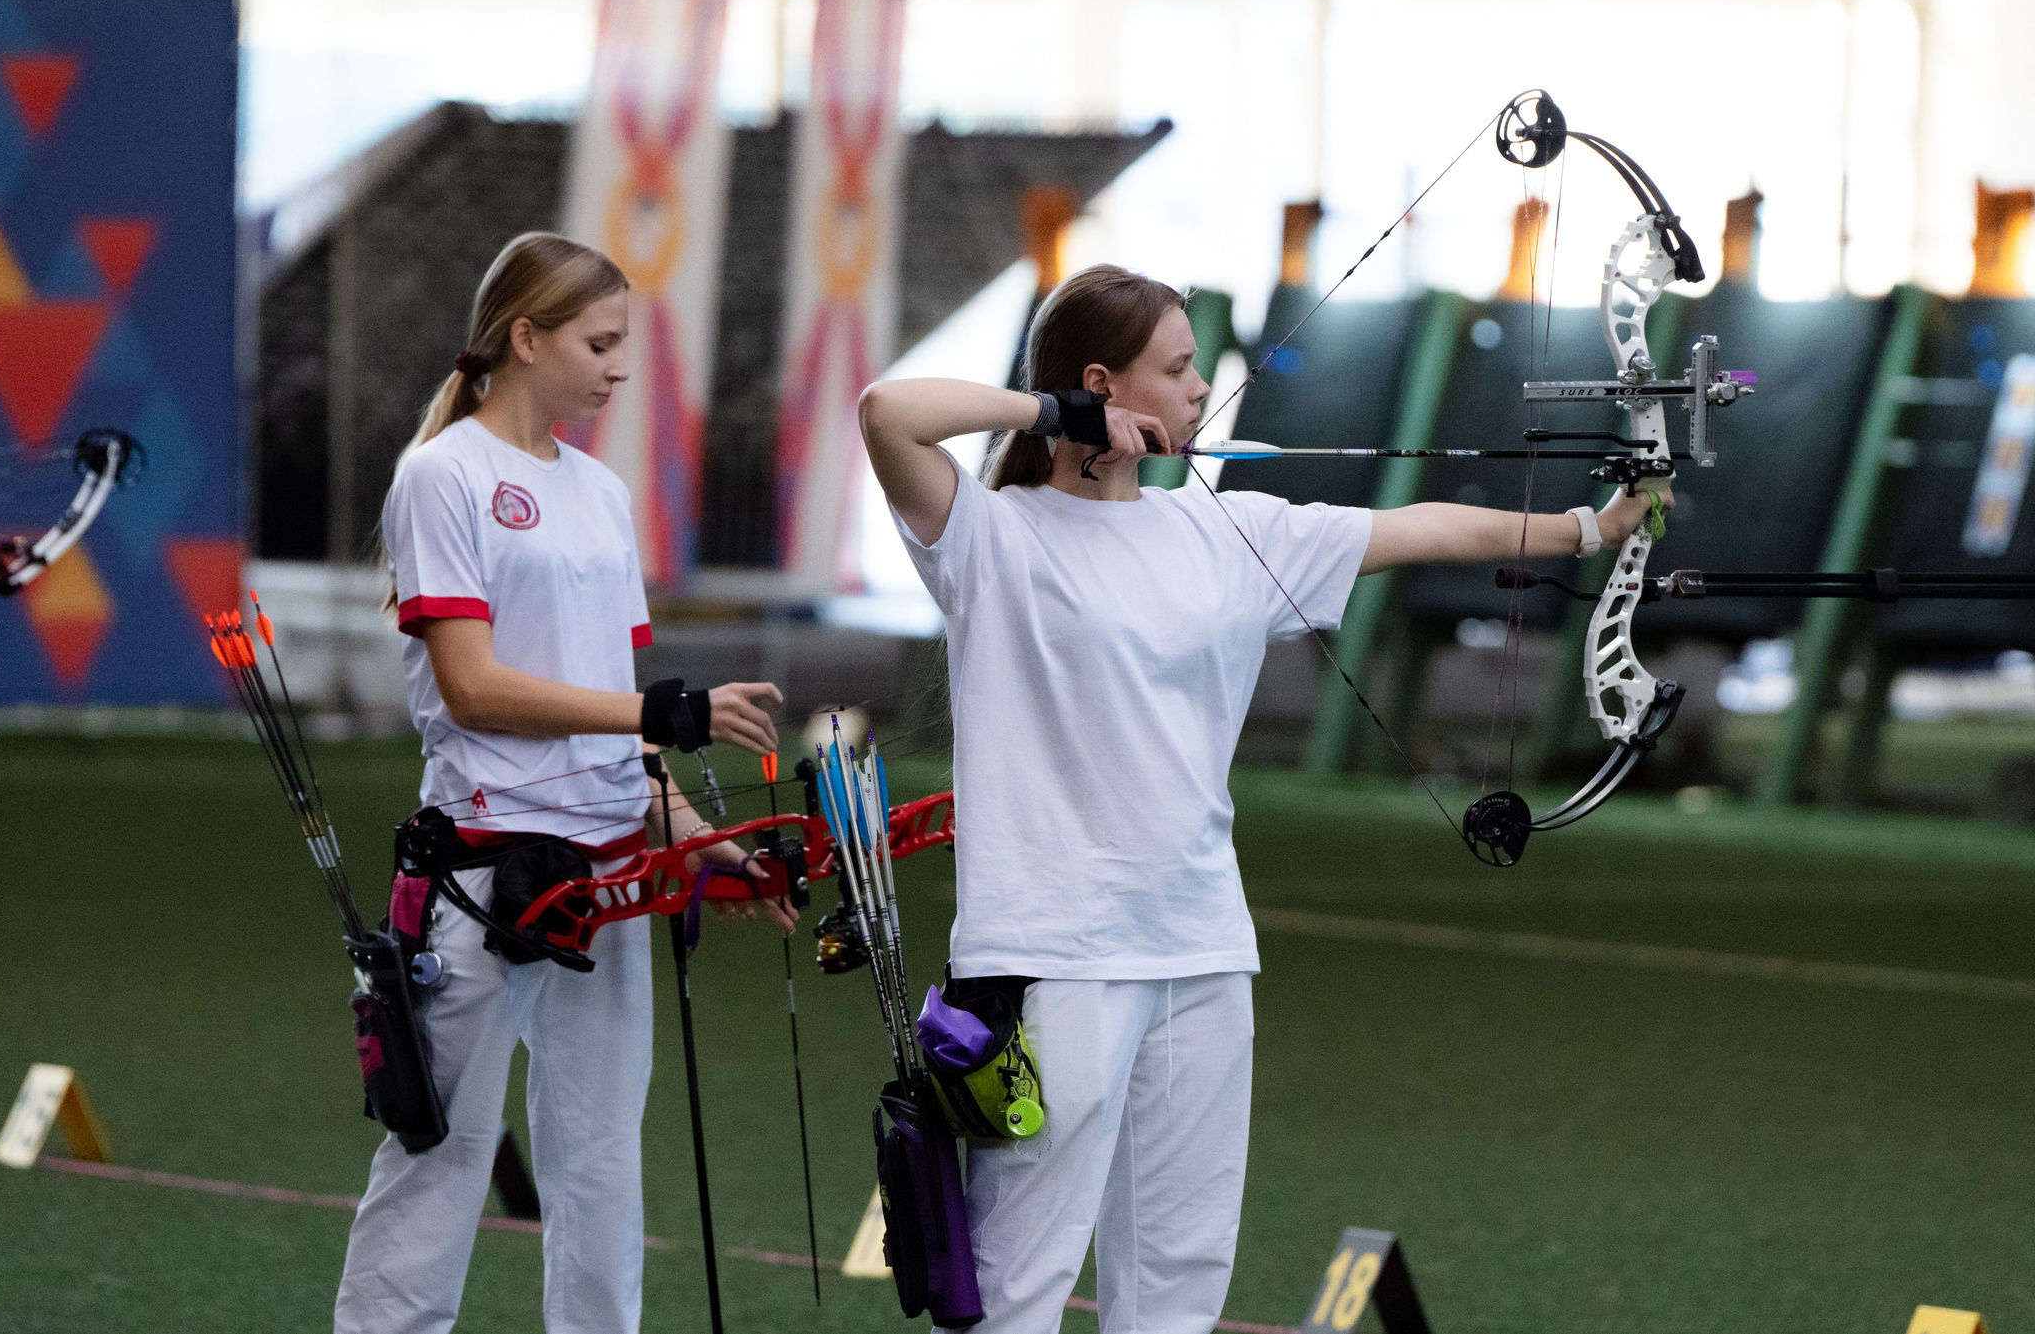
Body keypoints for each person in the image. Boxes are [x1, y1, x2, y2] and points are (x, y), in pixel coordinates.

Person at [856, 264, 1660, 1334]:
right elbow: (889, 413)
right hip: (1057, 954)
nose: (1201, 390)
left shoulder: (1225, 532)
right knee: (1018, 1277)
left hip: (1199, 944)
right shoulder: (990, 538)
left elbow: (1417, 529)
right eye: (1179, 369)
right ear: (1102, 383)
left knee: (1182, 1267)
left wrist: (1590, 529)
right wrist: (1056, 414)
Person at [336, 231, 786, 1334]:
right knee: (437, 1154)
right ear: (525, 339)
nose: (619, 364)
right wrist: (657, 711)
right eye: (600, 341)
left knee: (601, 1167)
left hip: (613, 873)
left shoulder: (598, 490)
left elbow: (616, 728)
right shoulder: (440, 478)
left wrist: (713, 847)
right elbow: (477, 687)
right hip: (489, 872)